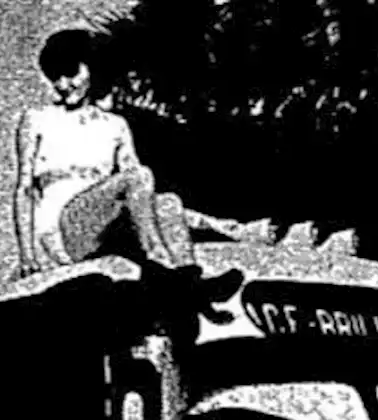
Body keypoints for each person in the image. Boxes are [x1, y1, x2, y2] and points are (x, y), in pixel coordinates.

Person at [15, 29, 267, 288]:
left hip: (108, 227)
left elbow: (144, 198)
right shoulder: (38, 119)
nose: (63, 84)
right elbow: (24, 189)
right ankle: (161, 266)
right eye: (56, 77)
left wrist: (220, 227)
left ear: (93, 69)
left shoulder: (115, 126)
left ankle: (190, 279)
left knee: (168, 202)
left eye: (71, 74)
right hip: (66, 230)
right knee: (140, 175)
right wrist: (27, 256)